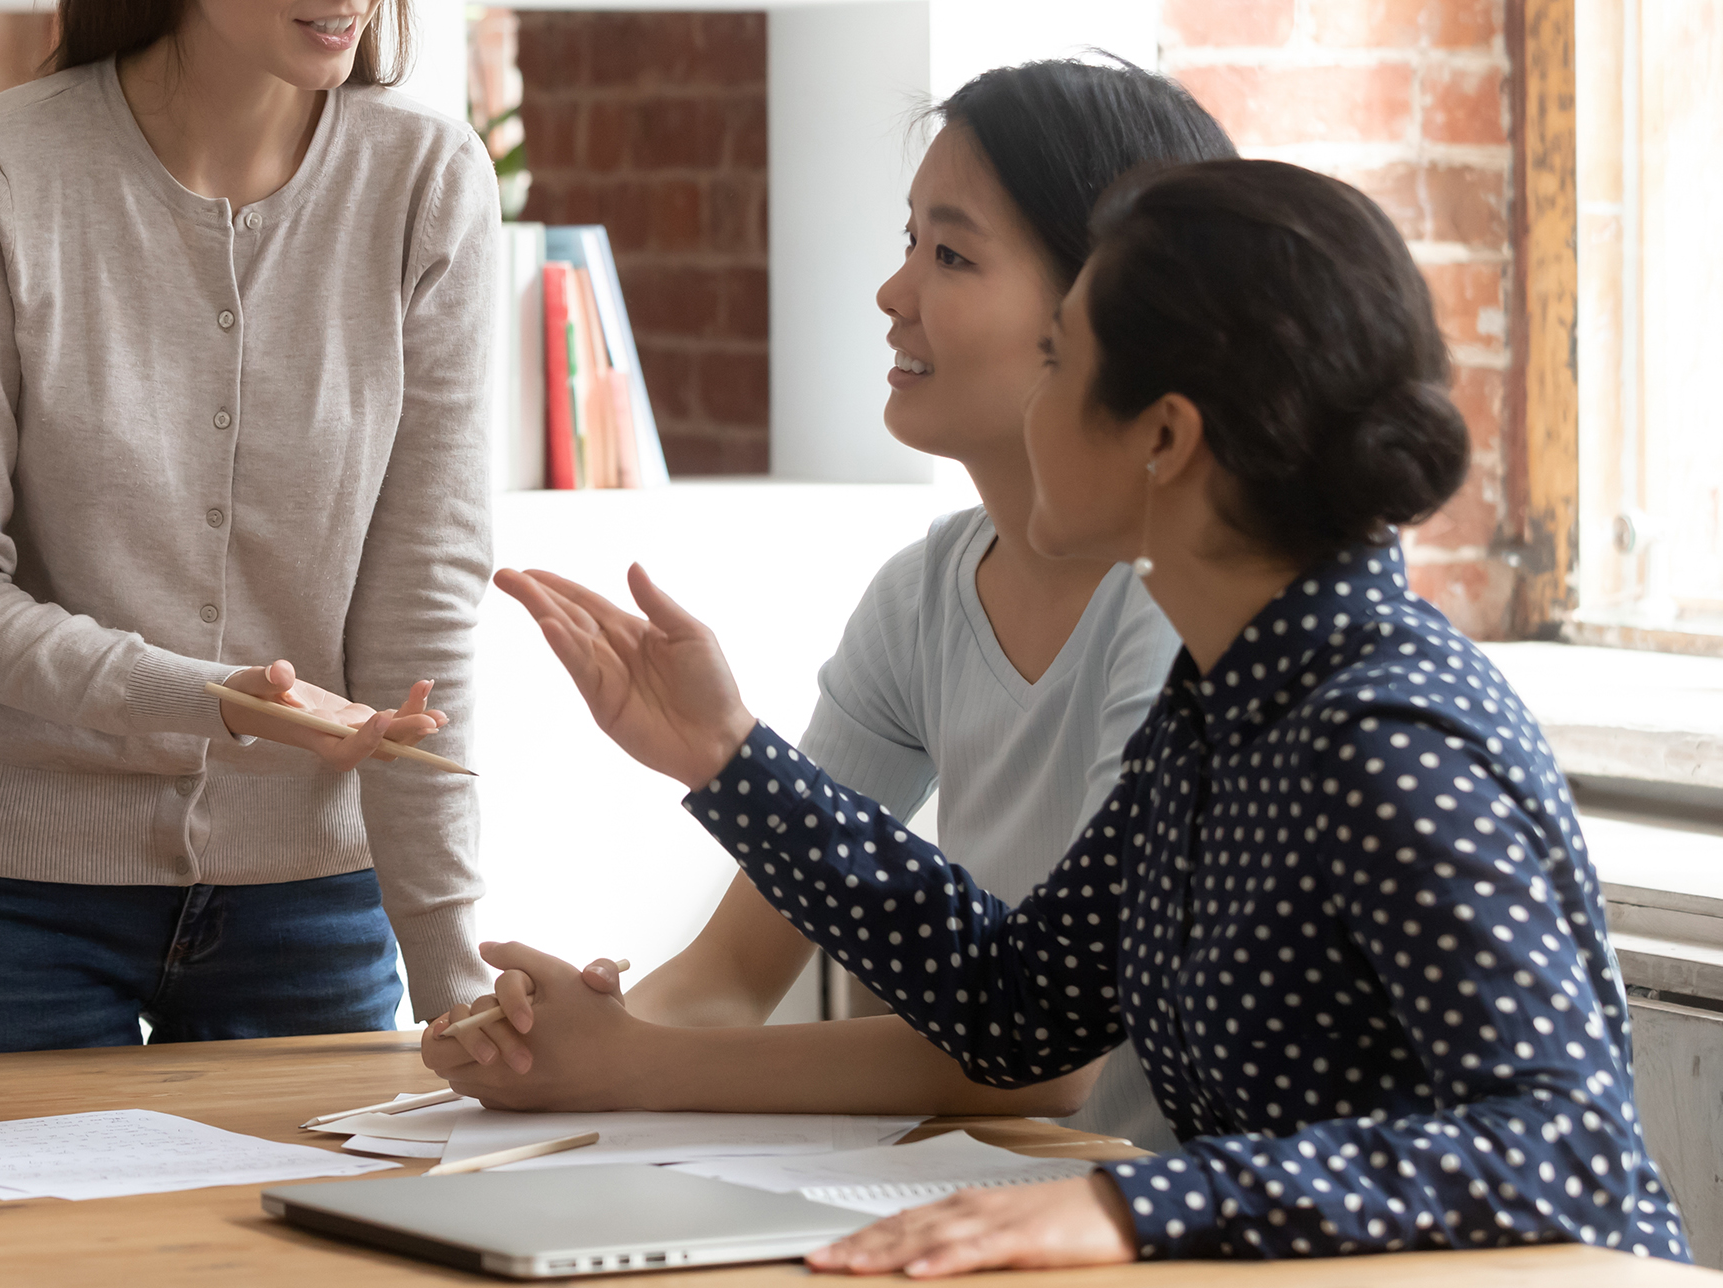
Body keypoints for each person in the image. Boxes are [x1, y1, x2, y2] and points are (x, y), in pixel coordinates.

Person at [496, 158, 1690, 1271]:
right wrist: (729, 758)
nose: (1032, 405)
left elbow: (1567, 1152)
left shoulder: (1385, 737)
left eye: (1059, 362)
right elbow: (1016, 1006)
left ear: (1166, 436)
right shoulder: (1222, 706)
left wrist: (1129, 1201)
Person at [425, 57, 1230, 1144]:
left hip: (1147, 1223)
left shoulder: (1186, 612)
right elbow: (734, 966)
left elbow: (1049, 1058)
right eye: (911, 243)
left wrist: (640, 1064)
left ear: (1105, 309)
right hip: (1033, 1205)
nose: (894, 293)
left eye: (951, 254)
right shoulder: (924, 595)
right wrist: (552, 1043)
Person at [0, 0, 491, 1054]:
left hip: (314, 900)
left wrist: (451, 968)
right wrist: (212, 702)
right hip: (12, 894)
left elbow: (421, 621)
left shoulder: (427, 190)